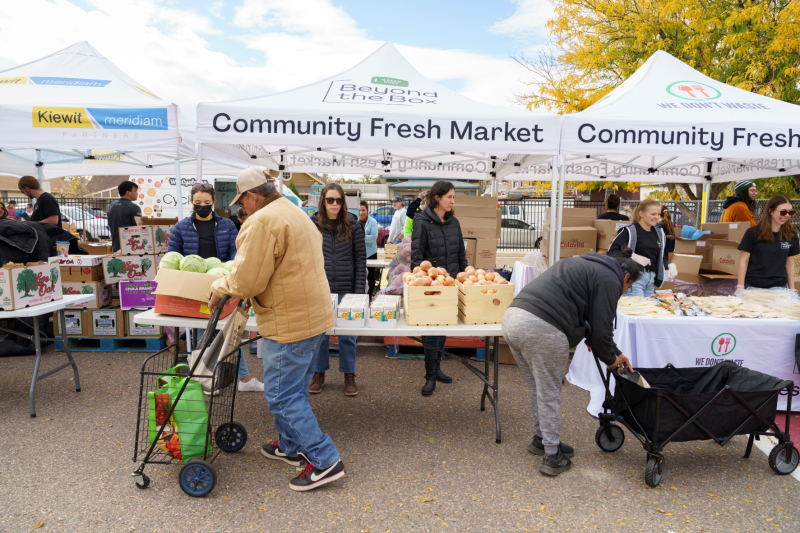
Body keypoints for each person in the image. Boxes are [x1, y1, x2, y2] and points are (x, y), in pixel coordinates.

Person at [208, 167, 345, 492]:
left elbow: (247, 279)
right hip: (312, 317)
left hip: (289, 322)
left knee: (283, 396)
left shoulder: (262, 220)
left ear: (253, 196)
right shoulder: (293, 212)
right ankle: (288, 445)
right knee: (292, 389)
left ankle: (325, 460)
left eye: (242, 201)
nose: (242, 208)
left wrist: (219, 285)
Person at [501, 248, 638, 476]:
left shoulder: (585, 264)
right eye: (629, 286)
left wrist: (615, 353)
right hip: (542, 327)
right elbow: (602, 328)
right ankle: (553, 456)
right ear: (625, 277)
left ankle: (542, 440)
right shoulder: (610, 279)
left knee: (539, 388)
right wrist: (611, 359)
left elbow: (593, 324)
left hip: (514, 318)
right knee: (549, 391)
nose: (626, 291)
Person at [169, 183, 263, 392]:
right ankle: (217, 379)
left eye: (207, 203)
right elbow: (173, 258)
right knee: (206, 333)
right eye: (198, 203)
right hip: (193, 287)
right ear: (191, 202)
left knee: (227, 331)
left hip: (222, 285)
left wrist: (227, 279)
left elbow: (235, 254)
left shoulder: (227, 226)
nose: (202, 206)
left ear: (214, 202)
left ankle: (221, 379)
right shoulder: (181, 227)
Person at [308, 185, 367, 396]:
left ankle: (349, 375)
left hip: (347, 289)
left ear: (343, 202)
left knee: (347, 335)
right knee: (320, 335)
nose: (334, 204)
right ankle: (319, 372)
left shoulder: (354, 225)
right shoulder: (312, 224)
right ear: (323, 201)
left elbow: (361, 261)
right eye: (330, 200)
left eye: (338, 200)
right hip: (320, 289)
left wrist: (359, 293)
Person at [411, 181, 468, 396]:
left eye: (453, 197)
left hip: (451, 282)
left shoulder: (454, 222)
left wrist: (464, 277)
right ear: (437, 198)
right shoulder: (422, 221)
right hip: (432, 284)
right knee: (432, 329)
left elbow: (461, 255)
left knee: (444, 326)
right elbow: (417, 257)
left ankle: (437, 368)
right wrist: (424, 280)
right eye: (449, 197)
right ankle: (430, 375)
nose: (453, 201)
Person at [607, 199, 669, 297]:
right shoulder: (629, 230)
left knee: (647, 311)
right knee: (636, 310)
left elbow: (661, 256)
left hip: (651, 279)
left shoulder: (659, 232)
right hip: (634, 279)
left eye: (658, 214)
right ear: (641, 214)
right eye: (653, 214)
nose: (657, 217)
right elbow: (611, 252)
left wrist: (668, 267)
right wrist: (632, 256)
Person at [737, 196, 799, 292]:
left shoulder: (792, 235)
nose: (787, 215)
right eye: (783, 212)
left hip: (780, 288)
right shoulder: (752, 232)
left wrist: (792, 289)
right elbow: (743, 261)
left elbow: (790, 264)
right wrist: (740, 287)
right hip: (753, 287)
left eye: (790, 212)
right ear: (770, 211)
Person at [107, 181, 142, 252]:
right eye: (135, 191)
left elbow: (110, 225)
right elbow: (139, 229)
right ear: (128, 193)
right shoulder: (134, 208)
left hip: (115, 248)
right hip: (131, 249)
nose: (137, 193)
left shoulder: (111, 207)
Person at [359, 200, 380, 297]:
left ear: (367, 210)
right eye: (359, 210)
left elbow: (374, 237)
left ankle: (370, 295)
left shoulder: (372, 222)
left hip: (370, 253)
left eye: (363, 210)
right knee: (360, 275)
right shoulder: (355, 221)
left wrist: (360, 239)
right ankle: (361, 295)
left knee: (370, 276)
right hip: (359, 253)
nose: (361, 212)